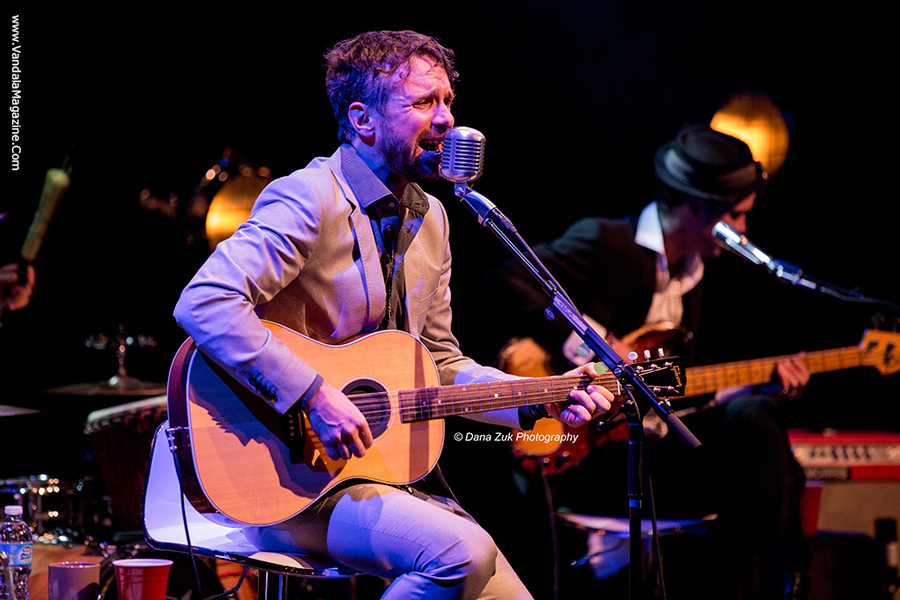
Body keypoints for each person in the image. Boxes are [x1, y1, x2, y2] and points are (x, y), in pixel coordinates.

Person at [172, 30, 613, 600]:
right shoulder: (308, 197)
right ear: (363, 120)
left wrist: (536, 398)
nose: (447, 119)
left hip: (370, 474)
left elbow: (440, 365)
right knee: (461, 554)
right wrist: (313, 395)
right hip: (280, 477)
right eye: (424, 102)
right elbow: (204, 302)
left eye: (448, 101)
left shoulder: (433, 218)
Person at [482, 125, 813, 599]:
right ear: (697, 206)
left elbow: (670, 392)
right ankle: (785, 582)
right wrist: (592, 345)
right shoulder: (605, 241)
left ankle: (787, 581)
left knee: (757, 433)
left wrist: (742, 394)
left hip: (651, 446)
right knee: (756, 481)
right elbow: (504, 283)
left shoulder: (695, 272)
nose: (743, 230)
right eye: (736, 215)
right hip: (590, 449)